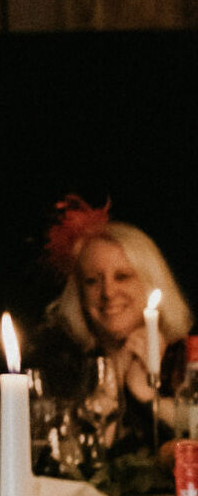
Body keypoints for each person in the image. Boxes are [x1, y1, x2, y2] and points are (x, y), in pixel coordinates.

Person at [39, 195, 191, 455]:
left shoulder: (189, 360)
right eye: (91, 281)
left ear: (150, 282)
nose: (108, 292)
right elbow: (65, 464)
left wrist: (145, 394)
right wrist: (111, 383)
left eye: (122, 277)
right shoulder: (61, 365)